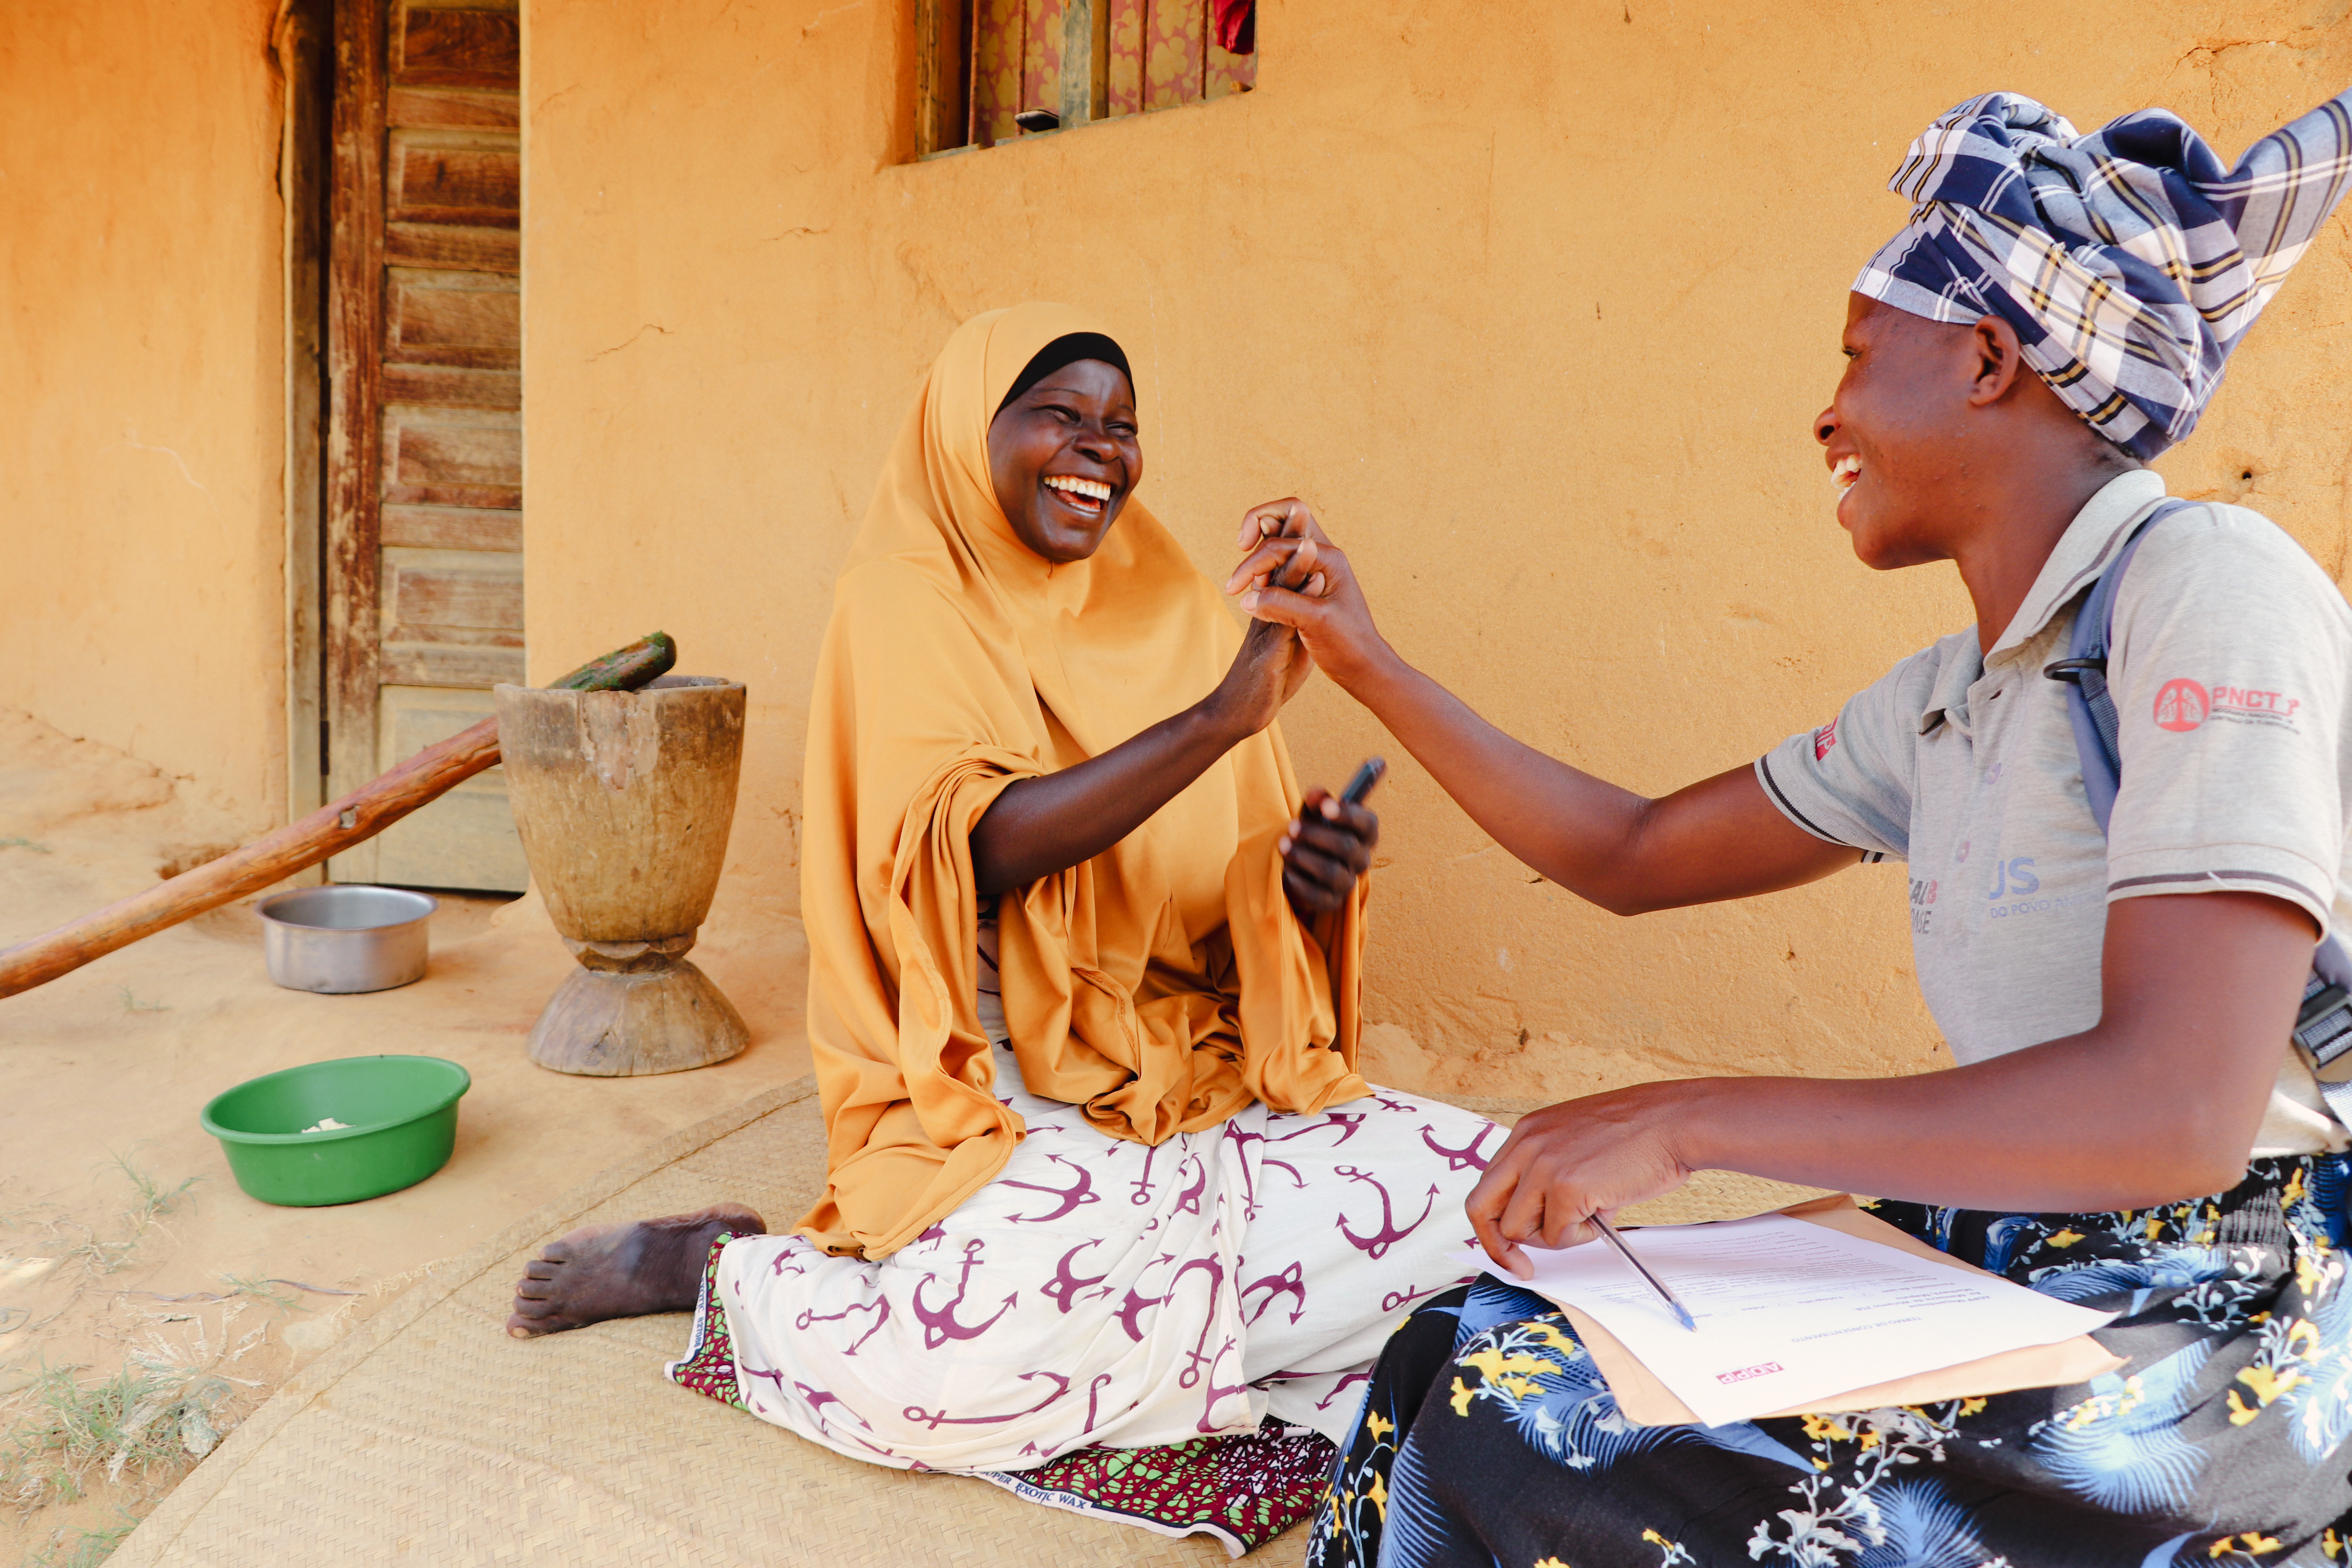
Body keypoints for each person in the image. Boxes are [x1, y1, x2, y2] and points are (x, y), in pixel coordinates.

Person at [1227, 90, 2352, 1564]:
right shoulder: (1953, 698)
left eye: (1855, 355)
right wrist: (1365, 659)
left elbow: (2179, 1112)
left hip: (2236, 1306)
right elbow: (1630, 853)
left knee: (1536, 1424)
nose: (1826, 412)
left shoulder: (2207, 582)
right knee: (1463, 1341)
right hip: (2034, 1254)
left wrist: (1691, 1118)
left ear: (1989, 358)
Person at [504, 304, 1499, 1518]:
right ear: (970, 433)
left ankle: (1178, 1338)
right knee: (954, 1363)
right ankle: (731, 1274)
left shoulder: (1176, 602)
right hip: (981, 1078)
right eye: (1058, 417)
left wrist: (1296, 890)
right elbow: (959, 852)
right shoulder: (904, 598)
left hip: (1180, 1073)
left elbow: (1209, 895)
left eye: (1122, 427)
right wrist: (1214, 725)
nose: (1099, 453)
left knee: (1501, 1198)